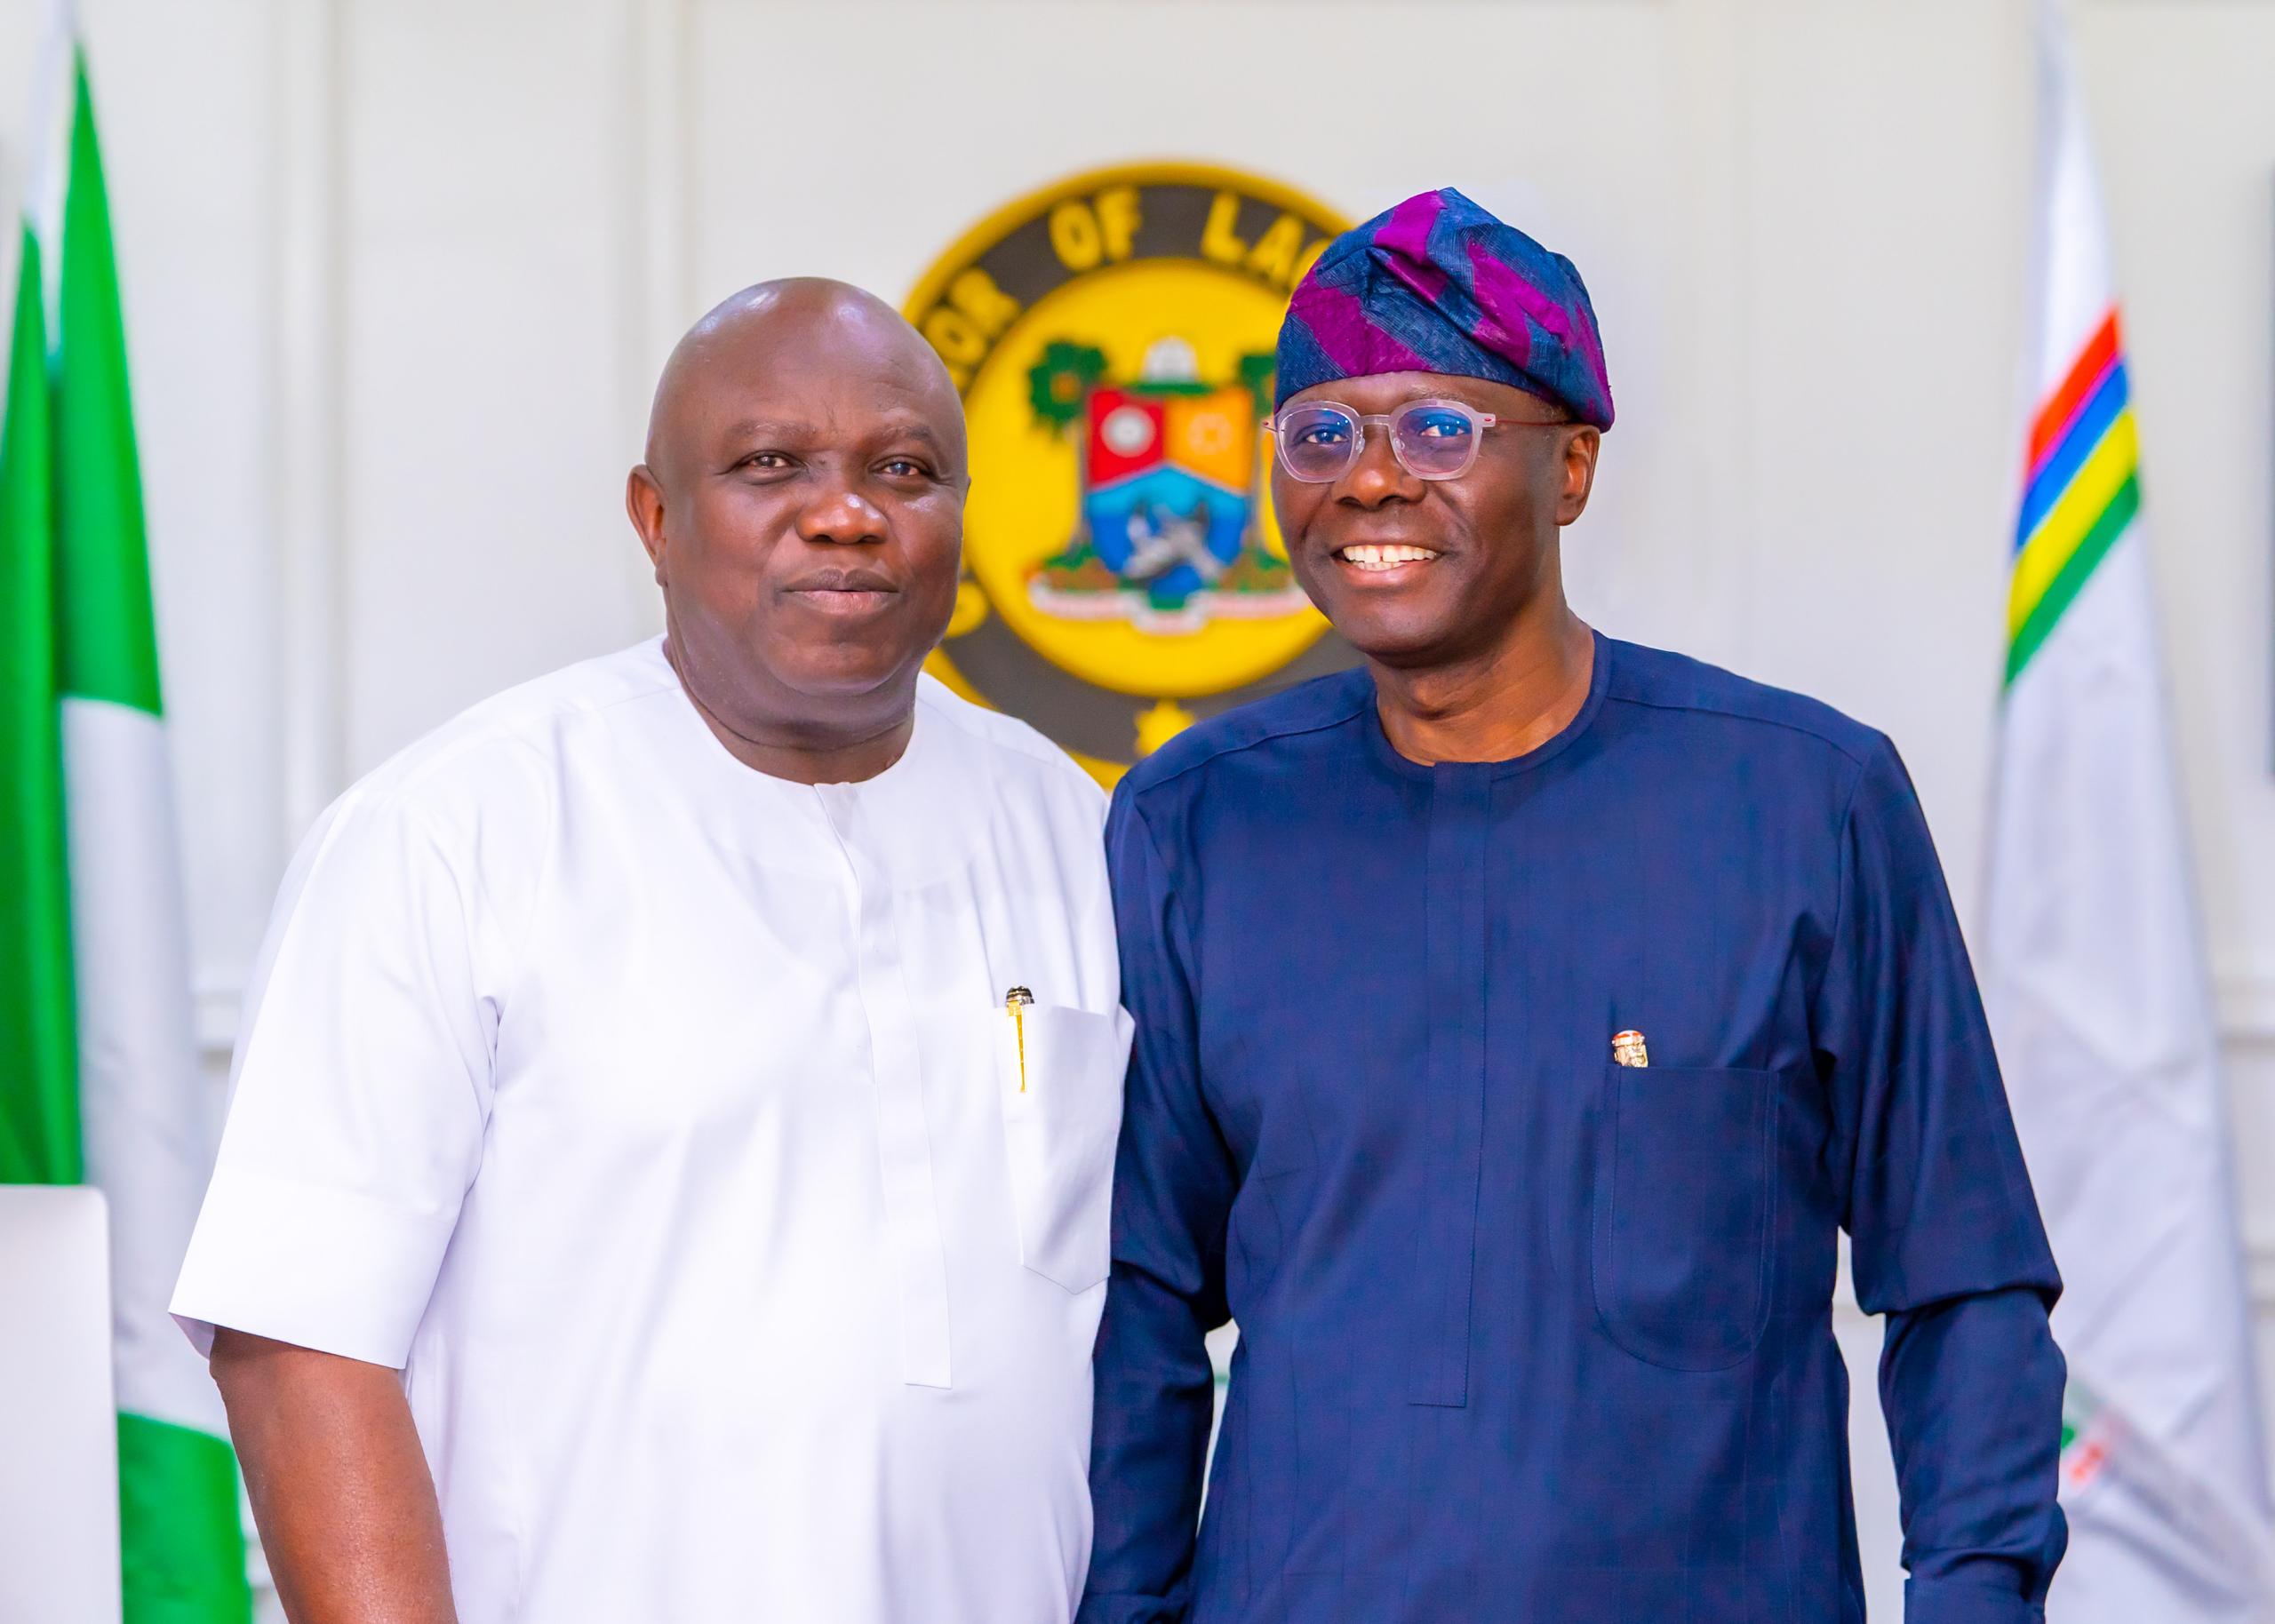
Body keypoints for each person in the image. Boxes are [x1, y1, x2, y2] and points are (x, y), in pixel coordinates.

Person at [1081, 190, 2066, 1623]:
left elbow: (1962, 1279)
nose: (1367, 481)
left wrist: (1976, 1600)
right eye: (1321, 432)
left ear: (1574, 466)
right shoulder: (1198, 821)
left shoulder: (1806, 801)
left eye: (1439, 429)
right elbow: (1138, 1308)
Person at [172, 279, 1131, 1624]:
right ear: (657, 518)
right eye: (768, 465)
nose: (845, 510)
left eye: (903, 468)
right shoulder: (450, 835)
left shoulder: (1075, 831)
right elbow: (296, 1345)